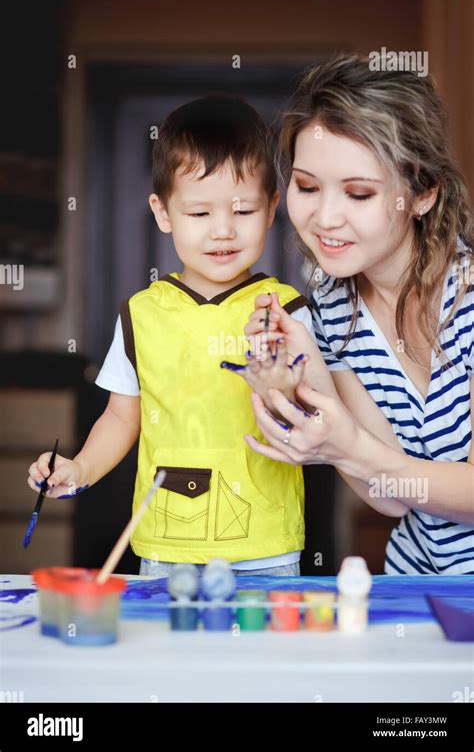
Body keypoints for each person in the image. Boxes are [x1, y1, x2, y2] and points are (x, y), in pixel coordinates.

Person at [27, 96, 313, 577]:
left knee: (257, 654)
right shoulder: (141, 315)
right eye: (199, 214)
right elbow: (121, 419)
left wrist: (279, 377)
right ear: (162, 213)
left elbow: (312, 414)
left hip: (265, 544)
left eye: (243, 210)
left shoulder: (285, 312)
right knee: (164, 651)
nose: (222, 231)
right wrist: (79, 470)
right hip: (165, 544)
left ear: (271, 210)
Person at [242, 53, 474, 574]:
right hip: (418, 583)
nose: (324, 218)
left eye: (359, 193)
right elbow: (392, 498)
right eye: (306, 187)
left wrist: (343, 442)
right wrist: (306, 378)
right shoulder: (328, 303)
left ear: (422, 194)